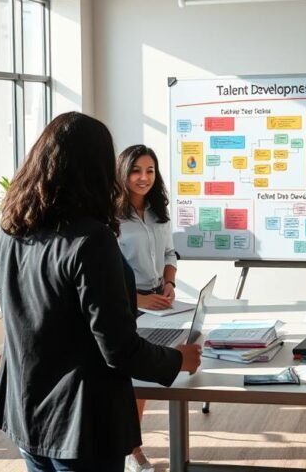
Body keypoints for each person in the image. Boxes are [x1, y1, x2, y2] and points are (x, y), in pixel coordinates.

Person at [0, 112, 202, 472]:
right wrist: (178, 359)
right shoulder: (91, 239)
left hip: (27, 410)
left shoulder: (10, 230)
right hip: (81, 420)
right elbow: (118, 347)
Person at [115, 144, 178, 472]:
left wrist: (169, 283)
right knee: (134, 382)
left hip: (159, 301)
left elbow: (170, 253)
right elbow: (106, 274)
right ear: (123, 174)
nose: (143, 178)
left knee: (148, 380)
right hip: (129, 305)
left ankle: (130, 447)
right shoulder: (110, 218)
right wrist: (137, 301)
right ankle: (132, 450)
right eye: (136, 171)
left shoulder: (158, 211)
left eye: (149, 171)